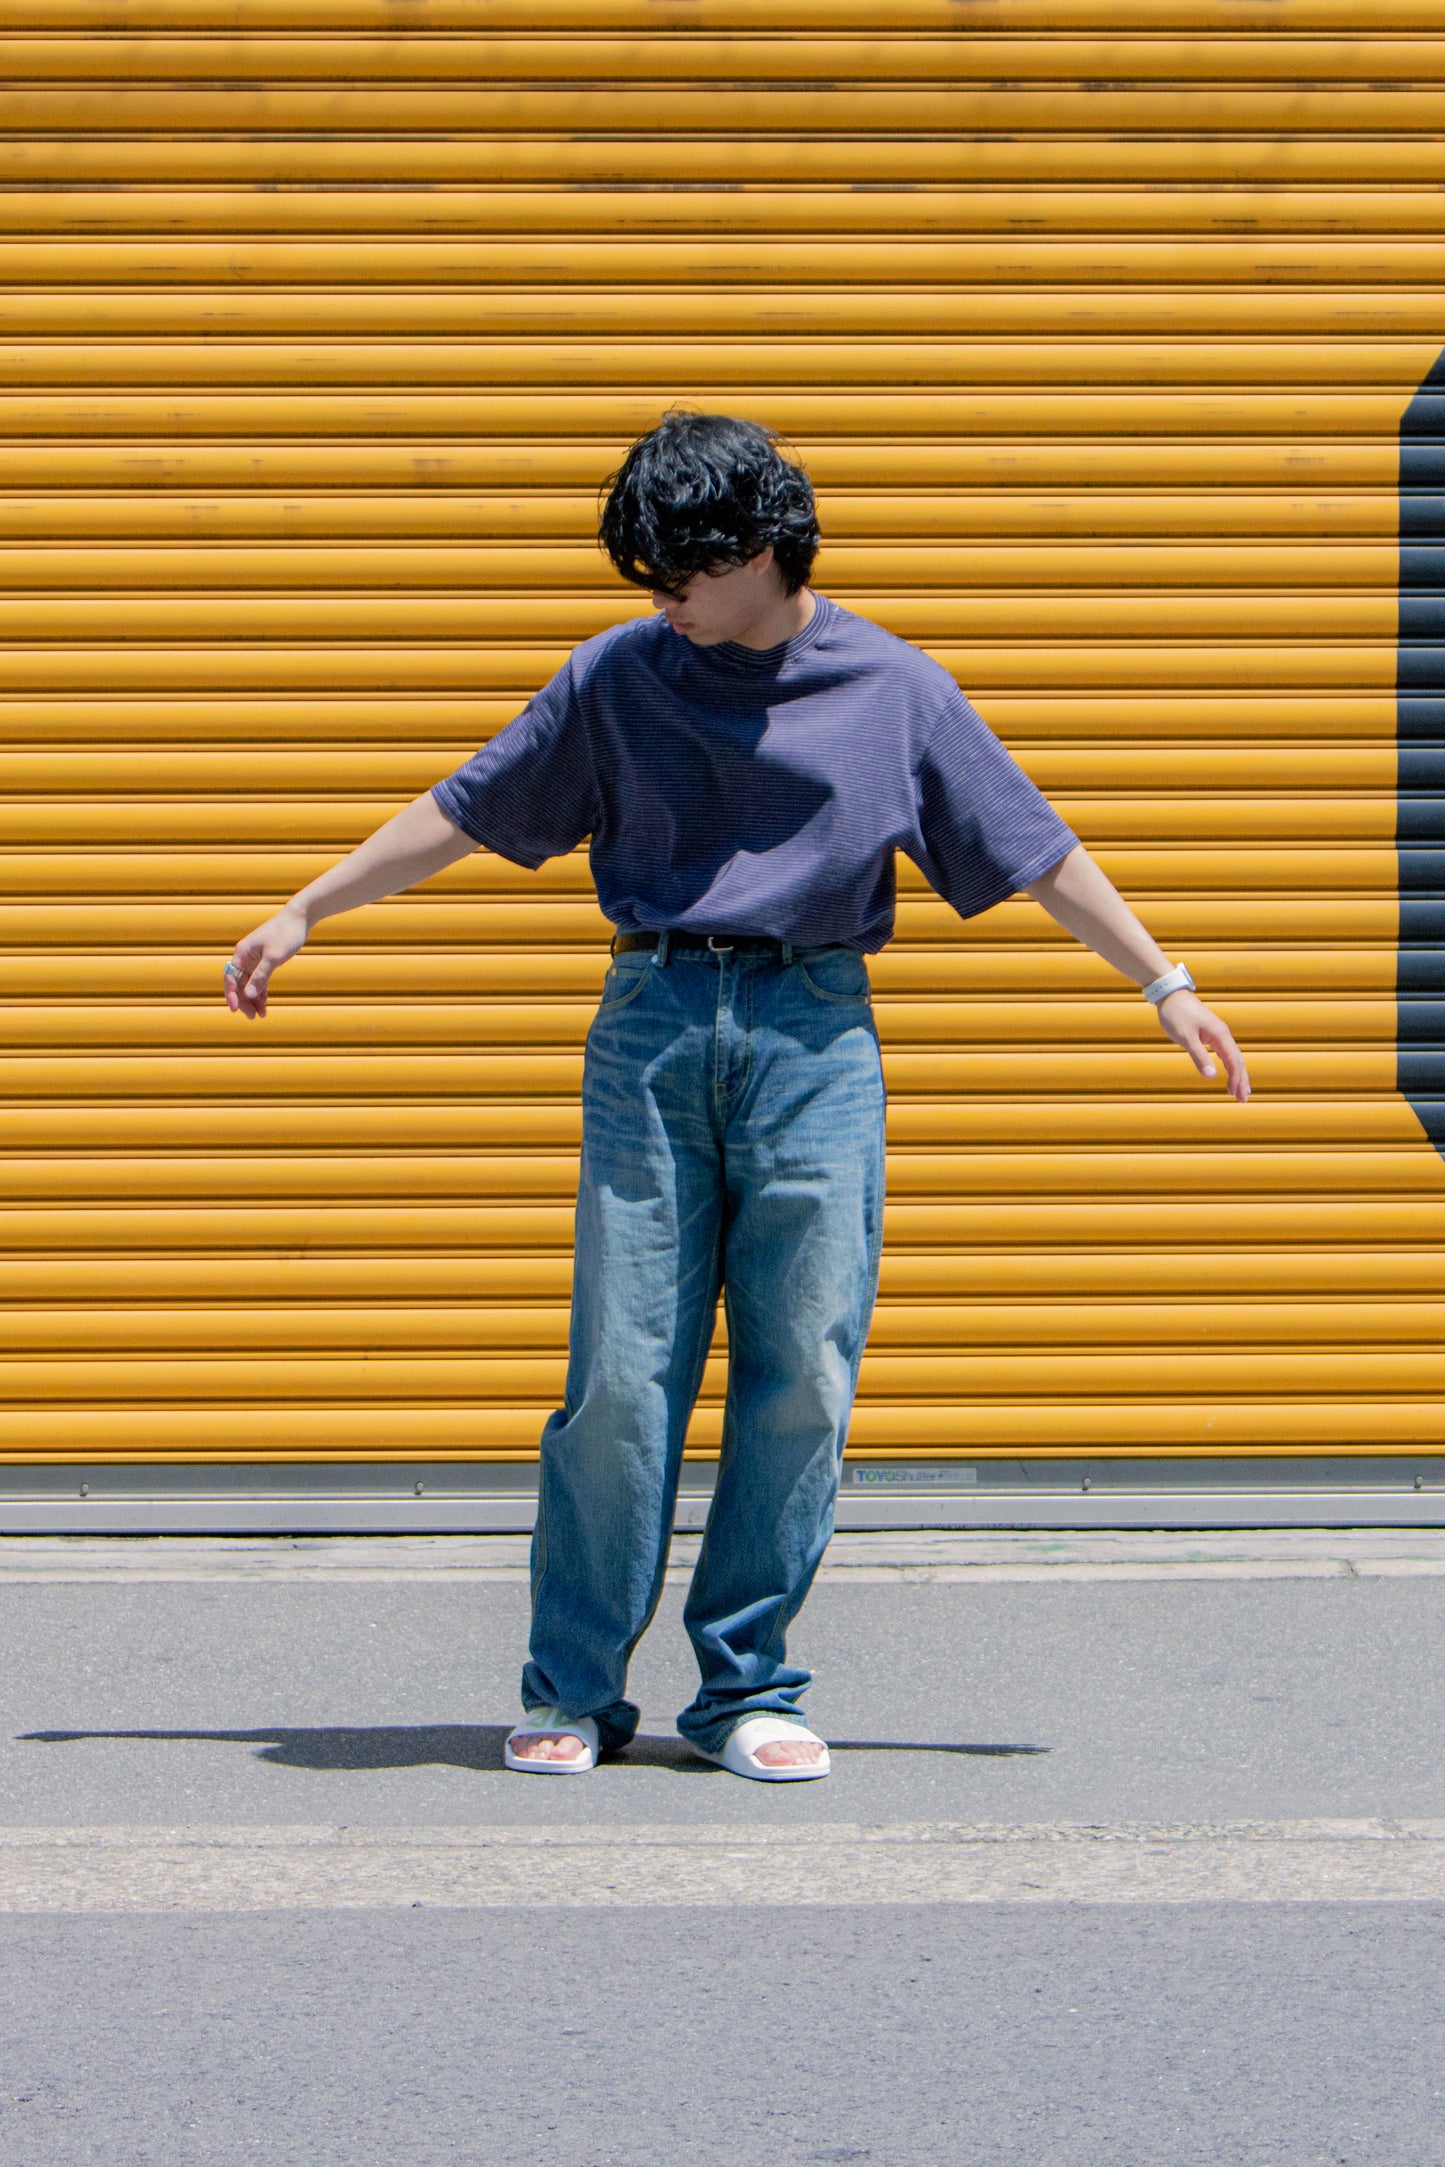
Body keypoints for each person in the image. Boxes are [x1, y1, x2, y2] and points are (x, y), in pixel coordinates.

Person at [224, 411, 1250, 1783]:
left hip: (812, 1036)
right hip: (652, 1028)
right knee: (620, 1375)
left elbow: (1030, 846)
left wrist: (1164, 981)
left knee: (803, 1374)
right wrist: (308, 907)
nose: (661, 601)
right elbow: (469, 806)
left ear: (758, 551)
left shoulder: (890, 687)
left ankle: (746, 1689)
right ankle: (574, 1686)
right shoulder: (619, 675)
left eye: (679, 576)